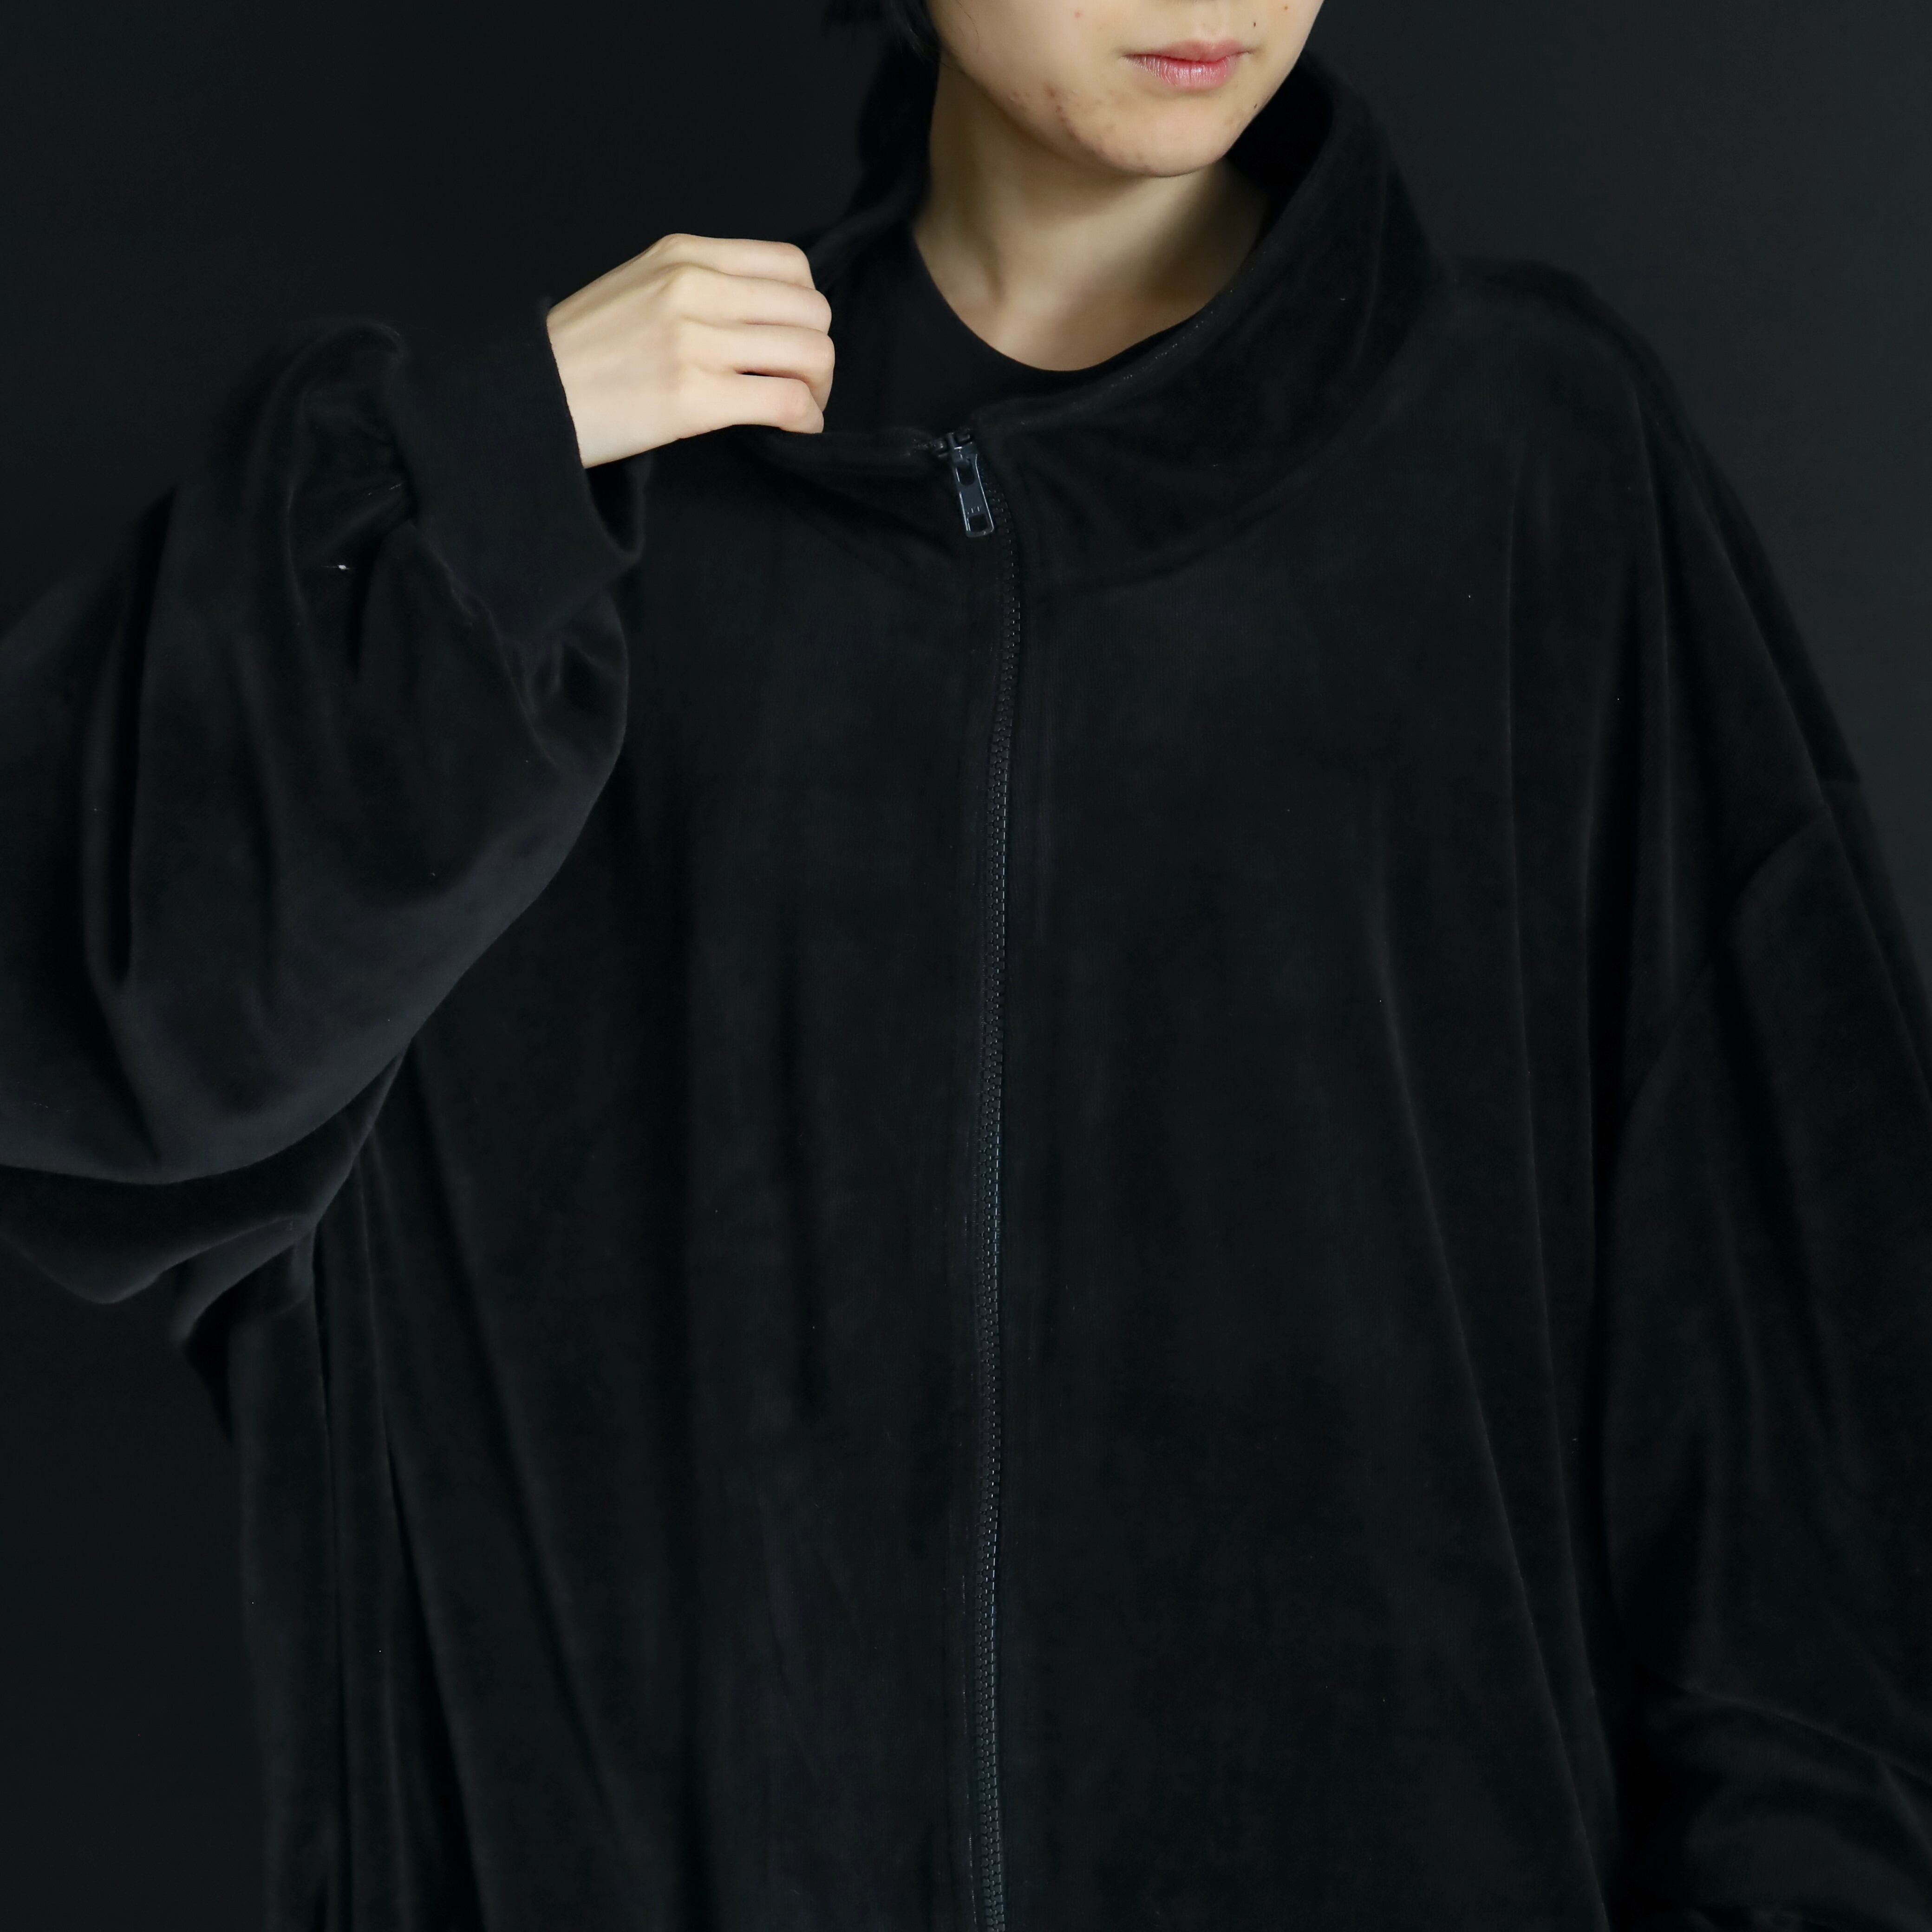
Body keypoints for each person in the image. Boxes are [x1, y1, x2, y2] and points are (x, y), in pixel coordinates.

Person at [2, 0, 1929, 1926]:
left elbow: (1803, 1407)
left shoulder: (1527, 461)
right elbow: (107, 1059)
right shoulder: (616, 524)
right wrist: (490, 477)